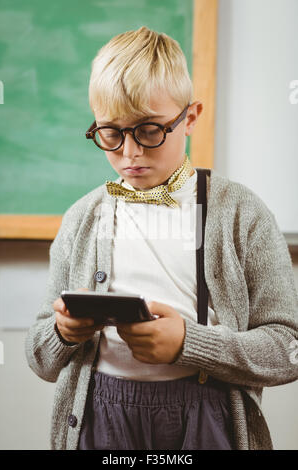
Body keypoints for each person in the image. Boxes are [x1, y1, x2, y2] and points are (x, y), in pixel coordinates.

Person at [25, 26, 298, 451]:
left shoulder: (241, 213)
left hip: (206, 418)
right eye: (110, 133)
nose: (129, 153)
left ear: (189, 118)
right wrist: (63, 332)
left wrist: (191, 343)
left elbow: (288, 349)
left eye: (149, 131)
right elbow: (39, 358)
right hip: (102, 417)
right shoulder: (82, 218)